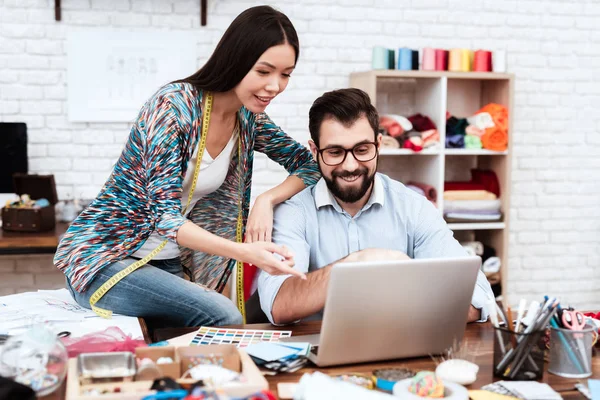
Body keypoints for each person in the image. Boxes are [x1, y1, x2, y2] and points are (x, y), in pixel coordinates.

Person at [54, 6, 320, 328]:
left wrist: (266, 200)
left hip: (164, 262)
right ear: (236, 60)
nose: (275, 86)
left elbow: (308, 163)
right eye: (263, 72)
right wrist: (245, 252)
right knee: (225, 315)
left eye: (286, 74)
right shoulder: (173, 107)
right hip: (105, 259)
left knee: (192, 337)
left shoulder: (248, 120)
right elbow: (164, 216)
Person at [257, 88, 494, 325]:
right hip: (317, 354)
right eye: (335, 152)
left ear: (379, 144)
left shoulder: (413, 207)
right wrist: (356, 264)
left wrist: (403, 287)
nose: (350, 166)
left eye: (362, 150)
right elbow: (279, 303)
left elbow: (477, 296)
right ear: (315, 151)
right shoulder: (294, 212)